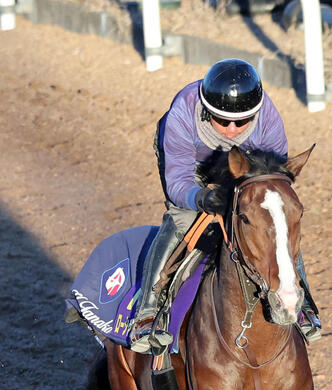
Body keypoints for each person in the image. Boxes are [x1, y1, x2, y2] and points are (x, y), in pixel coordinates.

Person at [130, 57, 321, 353]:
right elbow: (178, 183)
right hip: (191, 167)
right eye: (222, 121)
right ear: (207, 112)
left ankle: (303, 302)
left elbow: (275, 177)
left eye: (242, 122)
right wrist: (202, 197)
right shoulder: (182, 112)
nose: (231, 129)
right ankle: (148, 311)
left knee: (275, 221)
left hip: (244, 167)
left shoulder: (268, 116)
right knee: (182, 218)